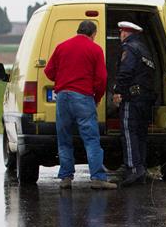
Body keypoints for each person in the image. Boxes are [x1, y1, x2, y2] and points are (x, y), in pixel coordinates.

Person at [45, 20, 117, 190]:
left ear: (78, 31)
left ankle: (65, 178)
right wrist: (97, 97)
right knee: (91, 139)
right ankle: (98, 178)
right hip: (83, 97)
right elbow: (102, 79)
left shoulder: (61, 47)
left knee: (64, 139)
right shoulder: (95, 49)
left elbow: (48, 71)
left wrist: (63, 79)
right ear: (93, 33)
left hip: (62, 97)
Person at [112, 21, 157, 185]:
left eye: (120, 33)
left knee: (129, 133)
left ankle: (133, 169)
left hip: (132, 98)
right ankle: (141, 168)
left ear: (124, 33)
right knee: (141, 134)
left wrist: (117, 90)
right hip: (146, 98)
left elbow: (126, 71)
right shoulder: (145, 50)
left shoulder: (129, 48)